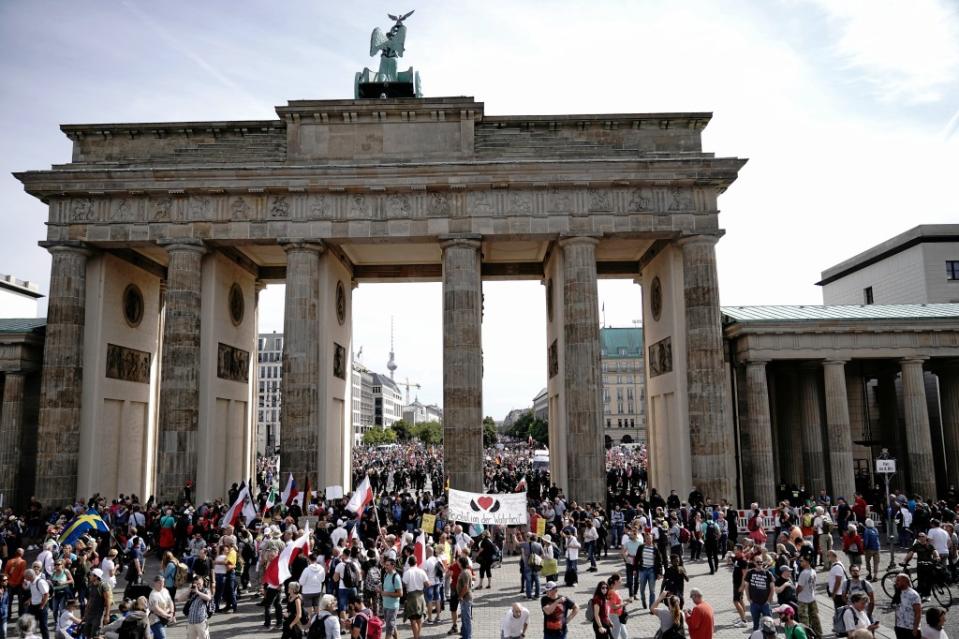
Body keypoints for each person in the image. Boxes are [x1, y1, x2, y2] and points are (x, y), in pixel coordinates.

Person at [741, 555, 774, 632]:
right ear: (754, 563)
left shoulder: (768, 573)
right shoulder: (750, 572)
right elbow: (746, 586)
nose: (760, 564)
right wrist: (749, 599)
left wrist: (768, 601)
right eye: (758, 562)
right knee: (756, 625)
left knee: (769, 625)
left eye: (761, 562)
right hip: (754, 603)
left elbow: (772, 588)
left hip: (765, 604)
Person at [904, 531, 940, 600]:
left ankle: (928, 595)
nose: (921, 537)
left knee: (929, 581)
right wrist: (905, 560)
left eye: (922, 536)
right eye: (919, 536)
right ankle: (922, 594)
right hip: (920, 566)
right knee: (921, 581)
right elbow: (911, 552)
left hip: (929, 565)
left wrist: (937, 556)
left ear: (926, 537)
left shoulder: (929, 545)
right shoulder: (916, 545)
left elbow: (935, 551)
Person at [402, 555, 430, 639]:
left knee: (413, 620)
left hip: (411, 597)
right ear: (416, 562)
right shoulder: (421, 571)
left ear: (409, 563)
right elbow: (427, 584)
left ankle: (416, 637)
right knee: (419, 618)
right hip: (420, 596)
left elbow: (403, 584)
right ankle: (417, 636)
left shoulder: (407, 572)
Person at [893, 573, 922, 639]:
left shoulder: (913, 595)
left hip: (911, 629)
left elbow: (918, 613)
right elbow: (897, 610)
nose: (896, 582)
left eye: (898, 580)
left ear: (905, 581)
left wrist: (915, 629)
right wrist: (896, 626)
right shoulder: (898, 593)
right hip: (900, 628)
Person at [636, 531, 660, 609]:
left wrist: (659, 573)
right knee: (642, 589)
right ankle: (643, 600)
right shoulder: (641, 547)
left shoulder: (655, 549)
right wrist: (635, 570)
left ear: (652, 539)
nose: (648, 540)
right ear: (645, 539)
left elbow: (659, 561)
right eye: (647, 538)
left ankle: (651, 607)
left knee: (652, 590)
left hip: (652, 571)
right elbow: (636, 559)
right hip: (642, 570)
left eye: (650, 538)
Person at [379, 558, 401, 639]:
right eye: (385, 565)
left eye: (387, 565)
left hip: (393, 606)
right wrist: (380, 590)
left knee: (389, 629)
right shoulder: (385, 575)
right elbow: (385, 590)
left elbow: (400, 594)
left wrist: (386, 593)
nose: (385, 567)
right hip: (385, 605)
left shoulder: (396, 577)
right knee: (392, 625)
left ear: (393, 566)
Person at [148, 575, 175, 639]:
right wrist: (166, 615)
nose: (162, 584)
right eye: (159, 582)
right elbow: (156, 608)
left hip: (164, 618)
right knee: (162, 637)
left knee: (157, 637)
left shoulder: (165, 590)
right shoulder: (153, 594)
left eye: (163, 582)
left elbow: (170, 602)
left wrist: (171, 612)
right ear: (155, 583)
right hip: (155, 619)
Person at [25, 569, 50, 639]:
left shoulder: (40, 582)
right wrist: (29, 600)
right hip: (33, 606)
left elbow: (46, 594)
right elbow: (35, 594)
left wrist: (42, 606)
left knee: (43, 626)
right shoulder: (31, 582)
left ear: (30, 576)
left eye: (26, 577)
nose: (25, 578)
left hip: (41, 606)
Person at [621, 527, 641, 602]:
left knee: (637, 579)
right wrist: (626, 559)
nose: (631, 535)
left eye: (633, 534)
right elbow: (623, 552)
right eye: (631, 534)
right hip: (629, 561)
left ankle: (635, 594)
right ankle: (631, 595)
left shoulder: (639, 543)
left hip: (637, 562)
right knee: (629, 580)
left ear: (636, 535)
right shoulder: (627, 543)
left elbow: (642, 553)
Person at [731, 545, 749, 628]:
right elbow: (732, 561)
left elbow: (744, 574)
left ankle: (743, 621)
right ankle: (743, 617)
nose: (734, 550)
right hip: (736, 582)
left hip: (739, 584)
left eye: (735, 549)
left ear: (740, 550)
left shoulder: (743, 560)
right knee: (740, 600)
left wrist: (742, 585)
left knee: (736, 601)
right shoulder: (737, 558)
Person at [456, 556, 474, 639]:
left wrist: (460, 596)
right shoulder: (464, 571)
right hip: (464, 598)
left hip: (465, 598)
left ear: (461, 563)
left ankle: (468, 637)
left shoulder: (465, 573)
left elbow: (466, 587)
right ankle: (465, 635)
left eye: (458, 562)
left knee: (467, 619)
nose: (457, 563)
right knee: (464, 618)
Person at [606, 573, 628, 639]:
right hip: (615, 616)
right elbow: (613, 606)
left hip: (619, 616)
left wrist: (625, 601)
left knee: (624, 635)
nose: (621, 582)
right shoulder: (612, 593)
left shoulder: (615, 591)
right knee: (615, 635)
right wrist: (623, 604)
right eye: (620, 580)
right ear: (616, 581)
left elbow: (617, 601)